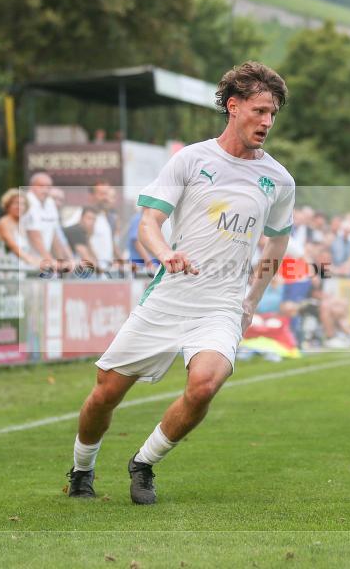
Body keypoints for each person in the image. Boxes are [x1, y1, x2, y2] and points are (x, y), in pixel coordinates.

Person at [66, 61, 294, 504]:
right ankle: (81, 468)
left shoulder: (279, 181)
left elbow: (276, 247)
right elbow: (148, 222)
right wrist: (165, 252)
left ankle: (144, 463)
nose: (267, 121)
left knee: (205, 384)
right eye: (260, 110)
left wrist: (250, 302)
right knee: (104, 395)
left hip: (221, 307)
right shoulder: (192, 160)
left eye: (273, 113)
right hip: (169, 298)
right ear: (233, 106)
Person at [23, 171, 72, 273]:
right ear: (32, 186)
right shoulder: (26, 201)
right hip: (25, 262)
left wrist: (62, 261)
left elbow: (55, 235)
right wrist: (50, 261)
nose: (45, 190)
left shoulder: (50, 203)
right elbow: (34, 237)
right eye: (41, 186)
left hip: (42, 262)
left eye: (48, 187)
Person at [0, 189, 39, 269]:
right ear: (8, 205)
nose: (19, 207)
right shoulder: (4, 222)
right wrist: (32, 261)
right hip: (5, 272)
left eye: (22, 204)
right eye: (16, 203)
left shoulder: (21, 225)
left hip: (20, 271)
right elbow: (14, 247)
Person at [63, 206, 101, 276]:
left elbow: (93, 256)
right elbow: (87, 259)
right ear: (81, 218)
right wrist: (99, 270)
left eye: (94, 219)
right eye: (89, 218)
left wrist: (88, 237)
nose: (92, 222)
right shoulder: (77, 231)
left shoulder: (83, 233)